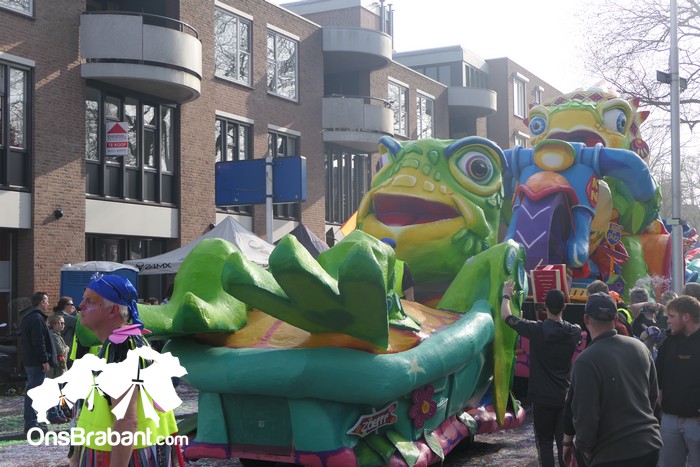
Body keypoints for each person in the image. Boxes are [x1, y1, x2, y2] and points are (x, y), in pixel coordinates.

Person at [73, 274, 184, 466]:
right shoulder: (128, 342)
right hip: (142, 450)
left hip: (128, 456)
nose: (80, 305)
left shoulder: (122, 347)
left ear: (113, 310)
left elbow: (127, 421)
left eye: (90, 301)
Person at [563, 292, 661, 466]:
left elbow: (585, 414)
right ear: (616, 319)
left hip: (611, 452)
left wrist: (583, 447)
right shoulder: (640, 348)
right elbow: (652, 397)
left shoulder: (586, 360)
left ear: (586, 319)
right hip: (648, 446)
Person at [502, 281, 582, 467]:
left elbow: (506, 316)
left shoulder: (536, 330)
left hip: (541, 397)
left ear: (545, 306)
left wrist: (506, 295)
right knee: (564, 443)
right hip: (563, 397)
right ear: (564, 306)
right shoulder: (574, 331)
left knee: (544, 442)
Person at [655, 295, 700, 467]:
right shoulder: (669, 342)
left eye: (672, 316)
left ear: (686, 317)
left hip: (696, 422)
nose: (668, 320)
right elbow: (657, 376)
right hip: (669, 419)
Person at [19, 291, 57, 434]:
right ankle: (31, 423)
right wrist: (44, 360)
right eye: (46, 301)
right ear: (41, 302)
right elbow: (38, 341)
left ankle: (33, 421)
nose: (48, 303)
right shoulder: (36, 318)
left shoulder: (29, 317)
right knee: (34, 392)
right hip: (36, 362)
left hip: (30, 360)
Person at [47, 314, 71, 423]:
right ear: (53, 324)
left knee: (60, 392)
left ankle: (60, 411)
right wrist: (67, 348)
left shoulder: (57, 335)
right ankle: (54, 413)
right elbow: (61, 350)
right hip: (56, 369)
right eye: (60, 323)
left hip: (60, 368)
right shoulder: (53, 336)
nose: (63, 325)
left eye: (63, 323)